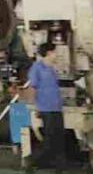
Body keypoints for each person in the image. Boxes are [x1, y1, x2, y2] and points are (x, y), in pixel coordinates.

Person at [25, 42, 66, 171]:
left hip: (56, 107)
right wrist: (34, 106)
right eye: (55, 52)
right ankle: (32, 162)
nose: (56, 54)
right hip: (45, 108)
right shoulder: (37, 68)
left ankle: (58, 166)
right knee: (49, 138)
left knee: (59, 137)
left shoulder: (53, 68)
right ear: (49, 53)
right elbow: (33, 87)